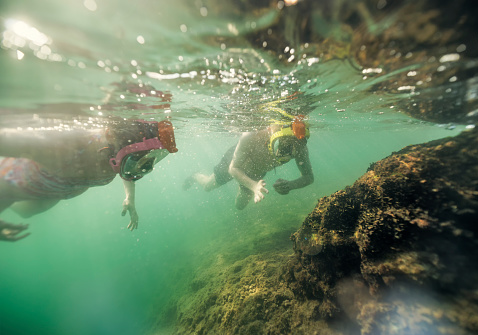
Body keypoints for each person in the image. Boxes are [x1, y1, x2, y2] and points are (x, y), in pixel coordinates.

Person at [0, 117, 178, 241]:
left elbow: (128, 168)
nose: (142, 169)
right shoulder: (66, 146)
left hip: (60, 189)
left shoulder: (118, 154)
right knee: (20, 207)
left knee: (27, 211)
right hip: (13, 184)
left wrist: (129, 198)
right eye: (136, 160)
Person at [184, 111, 314, 210]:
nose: (288, 153)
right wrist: (253, 186)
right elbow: (233, 168)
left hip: (256, 172)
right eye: (283, 145)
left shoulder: (300, 147)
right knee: (207, 186)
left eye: (295, 144)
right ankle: (195, 176)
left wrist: (291, 185)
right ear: (271, 131)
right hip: (234, 162)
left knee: (239, 206)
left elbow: (308, 177)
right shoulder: (251, 135)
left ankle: (242, 182)